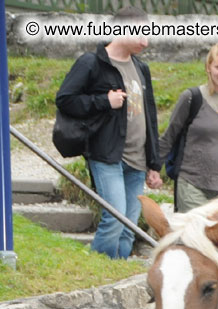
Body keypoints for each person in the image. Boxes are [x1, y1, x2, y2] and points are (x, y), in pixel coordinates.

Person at [55, 6, 162, 259]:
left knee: (128, 228)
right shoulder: (91, 63)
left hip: (137, 162)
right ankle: (94, 274)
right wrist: (104, 101)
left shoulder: (141, 68)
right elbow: (65, 99)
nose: (145, 42)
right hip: (106, 156)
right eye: (140, 34)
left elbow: (150, 116)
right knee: (114, 219)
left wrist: (154, 163)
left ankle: (115, 277)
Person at [159, 43, 218, 212]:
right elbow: (169, 136)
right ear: (208, 68)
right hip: (193, 185)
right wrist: (154, 169)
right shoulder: (192, 98)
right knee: (196, 237)